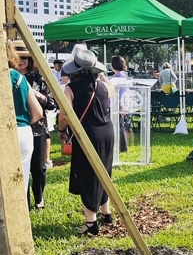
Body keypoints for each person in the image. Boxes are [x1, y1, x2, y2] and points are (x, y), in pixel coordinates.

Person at [58, 44, 115, 235]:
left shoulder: (70, 88)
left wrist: (61, 131)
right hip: (107, 132)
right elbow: (112, 88)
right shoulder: (104, 86)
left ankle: (91, 223)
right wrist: (100, 75)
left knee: (86, 175)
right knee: (104, 171)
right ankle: (106, 213)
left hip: (86, 134)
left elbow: (64, 115)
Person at [16, 46, 55, 209]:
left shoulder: (38, 76)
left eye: (24, 58)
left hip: (38, 128)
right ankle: (23, 202)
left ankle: (39, 199)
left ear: (30, 60)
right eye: (18, 57)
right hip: (17, 128)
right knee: (19, 168)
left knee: (38, 167)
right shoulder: (9, 76)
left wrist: (33, 93)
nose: (21, 61)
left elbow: (51, 103)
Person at [7, 40, 43, 192]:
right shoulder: (20, 78)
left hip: (5, 133)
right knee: (21, 182)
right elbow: (38, 113)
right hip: (23, 131)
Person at [110, 55, 129, 152]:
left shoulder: (119, 76)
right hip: (120, 103)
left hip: (118, 104)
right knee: (120, 125)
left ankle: (123, 147)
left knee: (119, 125)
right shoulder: (123, 75)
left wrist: (121, 106)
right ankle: (122, 146)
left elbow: (122, 92)